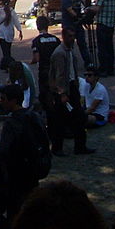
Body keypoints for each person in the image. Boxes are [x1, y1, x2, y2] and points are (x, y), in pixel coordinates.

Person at [0, 84, 49, 216]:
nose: (1, 102)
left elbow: (3, 151)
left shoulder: (11, 123)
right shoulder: (34, 116)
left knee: (15, 209)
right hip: (34, 168)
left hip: (17, 172)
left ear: (13, 100)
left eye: (3, 99)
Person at [47, 26, 93, 156]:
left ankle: (80, 146)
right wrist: (62, 93)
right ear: (64, 37)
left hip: (71, 87)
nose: (72, 39)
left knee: (78, 118)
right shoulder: (60, 53)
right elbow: (59, 76)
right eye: (70, 36)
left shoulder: (69, 51)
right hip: (63, 90)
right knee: (60, 120)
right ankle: (58, 148)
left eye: (73, 36)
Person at [94, 0, 115, 77]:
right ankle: (110, 68)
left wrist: (90, 9)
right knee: (109, 46)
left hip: (102, 22)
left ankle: (103, 68)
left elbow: (98, 8)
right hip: (111, 22)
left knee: (102, 47)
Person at [0, 0, 22, 72]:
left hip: (1, 33)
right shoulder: (12, 11)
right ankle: (9, 65)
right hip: (10, 32)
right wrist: (20, 30)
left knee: (4, 50)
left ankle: (7, 65)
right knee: (8, 49)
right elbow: (16, 21)